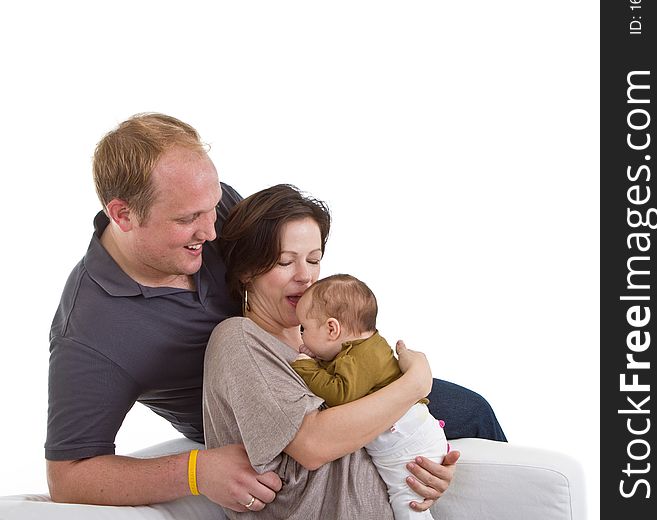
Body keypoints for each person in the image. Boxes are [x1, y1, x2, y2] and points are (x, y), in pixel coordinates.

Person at [45, 112, 503, 510]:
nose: (211, 230)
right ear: (122, 214)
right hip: (257, 421)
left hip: (319, 375)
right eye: (187, 219)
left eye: (212, 207)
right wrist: (194, 471)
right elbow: (67, 475)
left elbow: (285, 275)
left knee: (468, 415)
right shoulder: (89, 331)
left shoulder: (213, 208)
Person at [204, 184, 448, 518]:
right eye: (285, 262)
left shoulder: (324, 344)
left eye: (314, 259)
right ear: (247, 270)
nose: (305, 277)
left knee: (476, 411)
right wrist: (415, 384)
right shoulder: (240, 339)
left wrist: (421, 466)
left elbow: (372, 429)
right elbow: (313, 445)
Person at [292, 273, 449, 519]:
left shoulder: (360, 357)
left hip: (407, 441)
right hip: (410, 435)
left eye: (305, 328)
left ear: (332, 329)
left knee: (408, 506)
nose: (301, 335)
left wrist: (307, 367)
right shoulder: (361, 348)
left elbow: (340, 394)